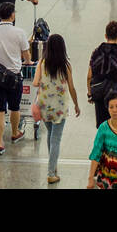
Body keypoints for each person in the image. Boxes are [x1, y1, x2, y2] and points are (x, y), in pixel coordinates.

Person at [32, 33, 81, 184]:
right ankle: (51, 172)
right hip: (59, 107)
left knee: (51, 136)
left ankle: (53, 166)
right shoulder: (65, 65)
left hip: (44, 106)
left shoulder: (42, 63)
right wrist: (76, 104)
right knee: (56, 139)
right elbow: (71, 88)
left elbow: (35, 83)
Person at [0, 1, 32, 155]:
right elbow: (26, 56)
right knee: (14, 107)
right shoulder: (19, 32)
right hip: (15, 76)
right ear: (12, 15)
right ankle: (14, 133)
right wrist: (26, 61)